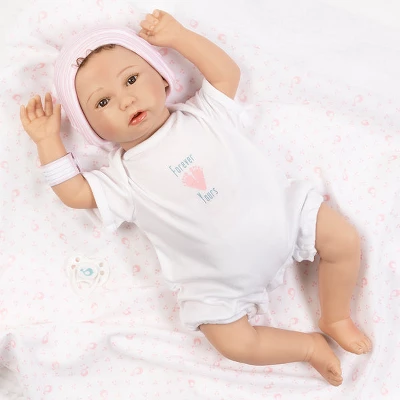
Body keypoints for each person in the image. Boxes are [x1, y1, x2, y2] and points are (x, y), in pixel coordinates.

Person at [20, 9, 372, 386]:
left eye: (131, 79)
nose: (125, 100)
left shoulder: (203, 114)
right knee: (234, 344)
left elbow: (226, 74)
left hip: (285, 218)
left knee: (344, 241)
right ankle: (307, 347)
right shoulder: (122, 177)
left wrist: (179, 36)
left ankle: (336, 316)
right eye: (102, 102)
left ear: (162, 77)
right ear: (92, 128)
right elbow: (76, 193)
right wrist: (48, 141)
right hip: (219, 281)